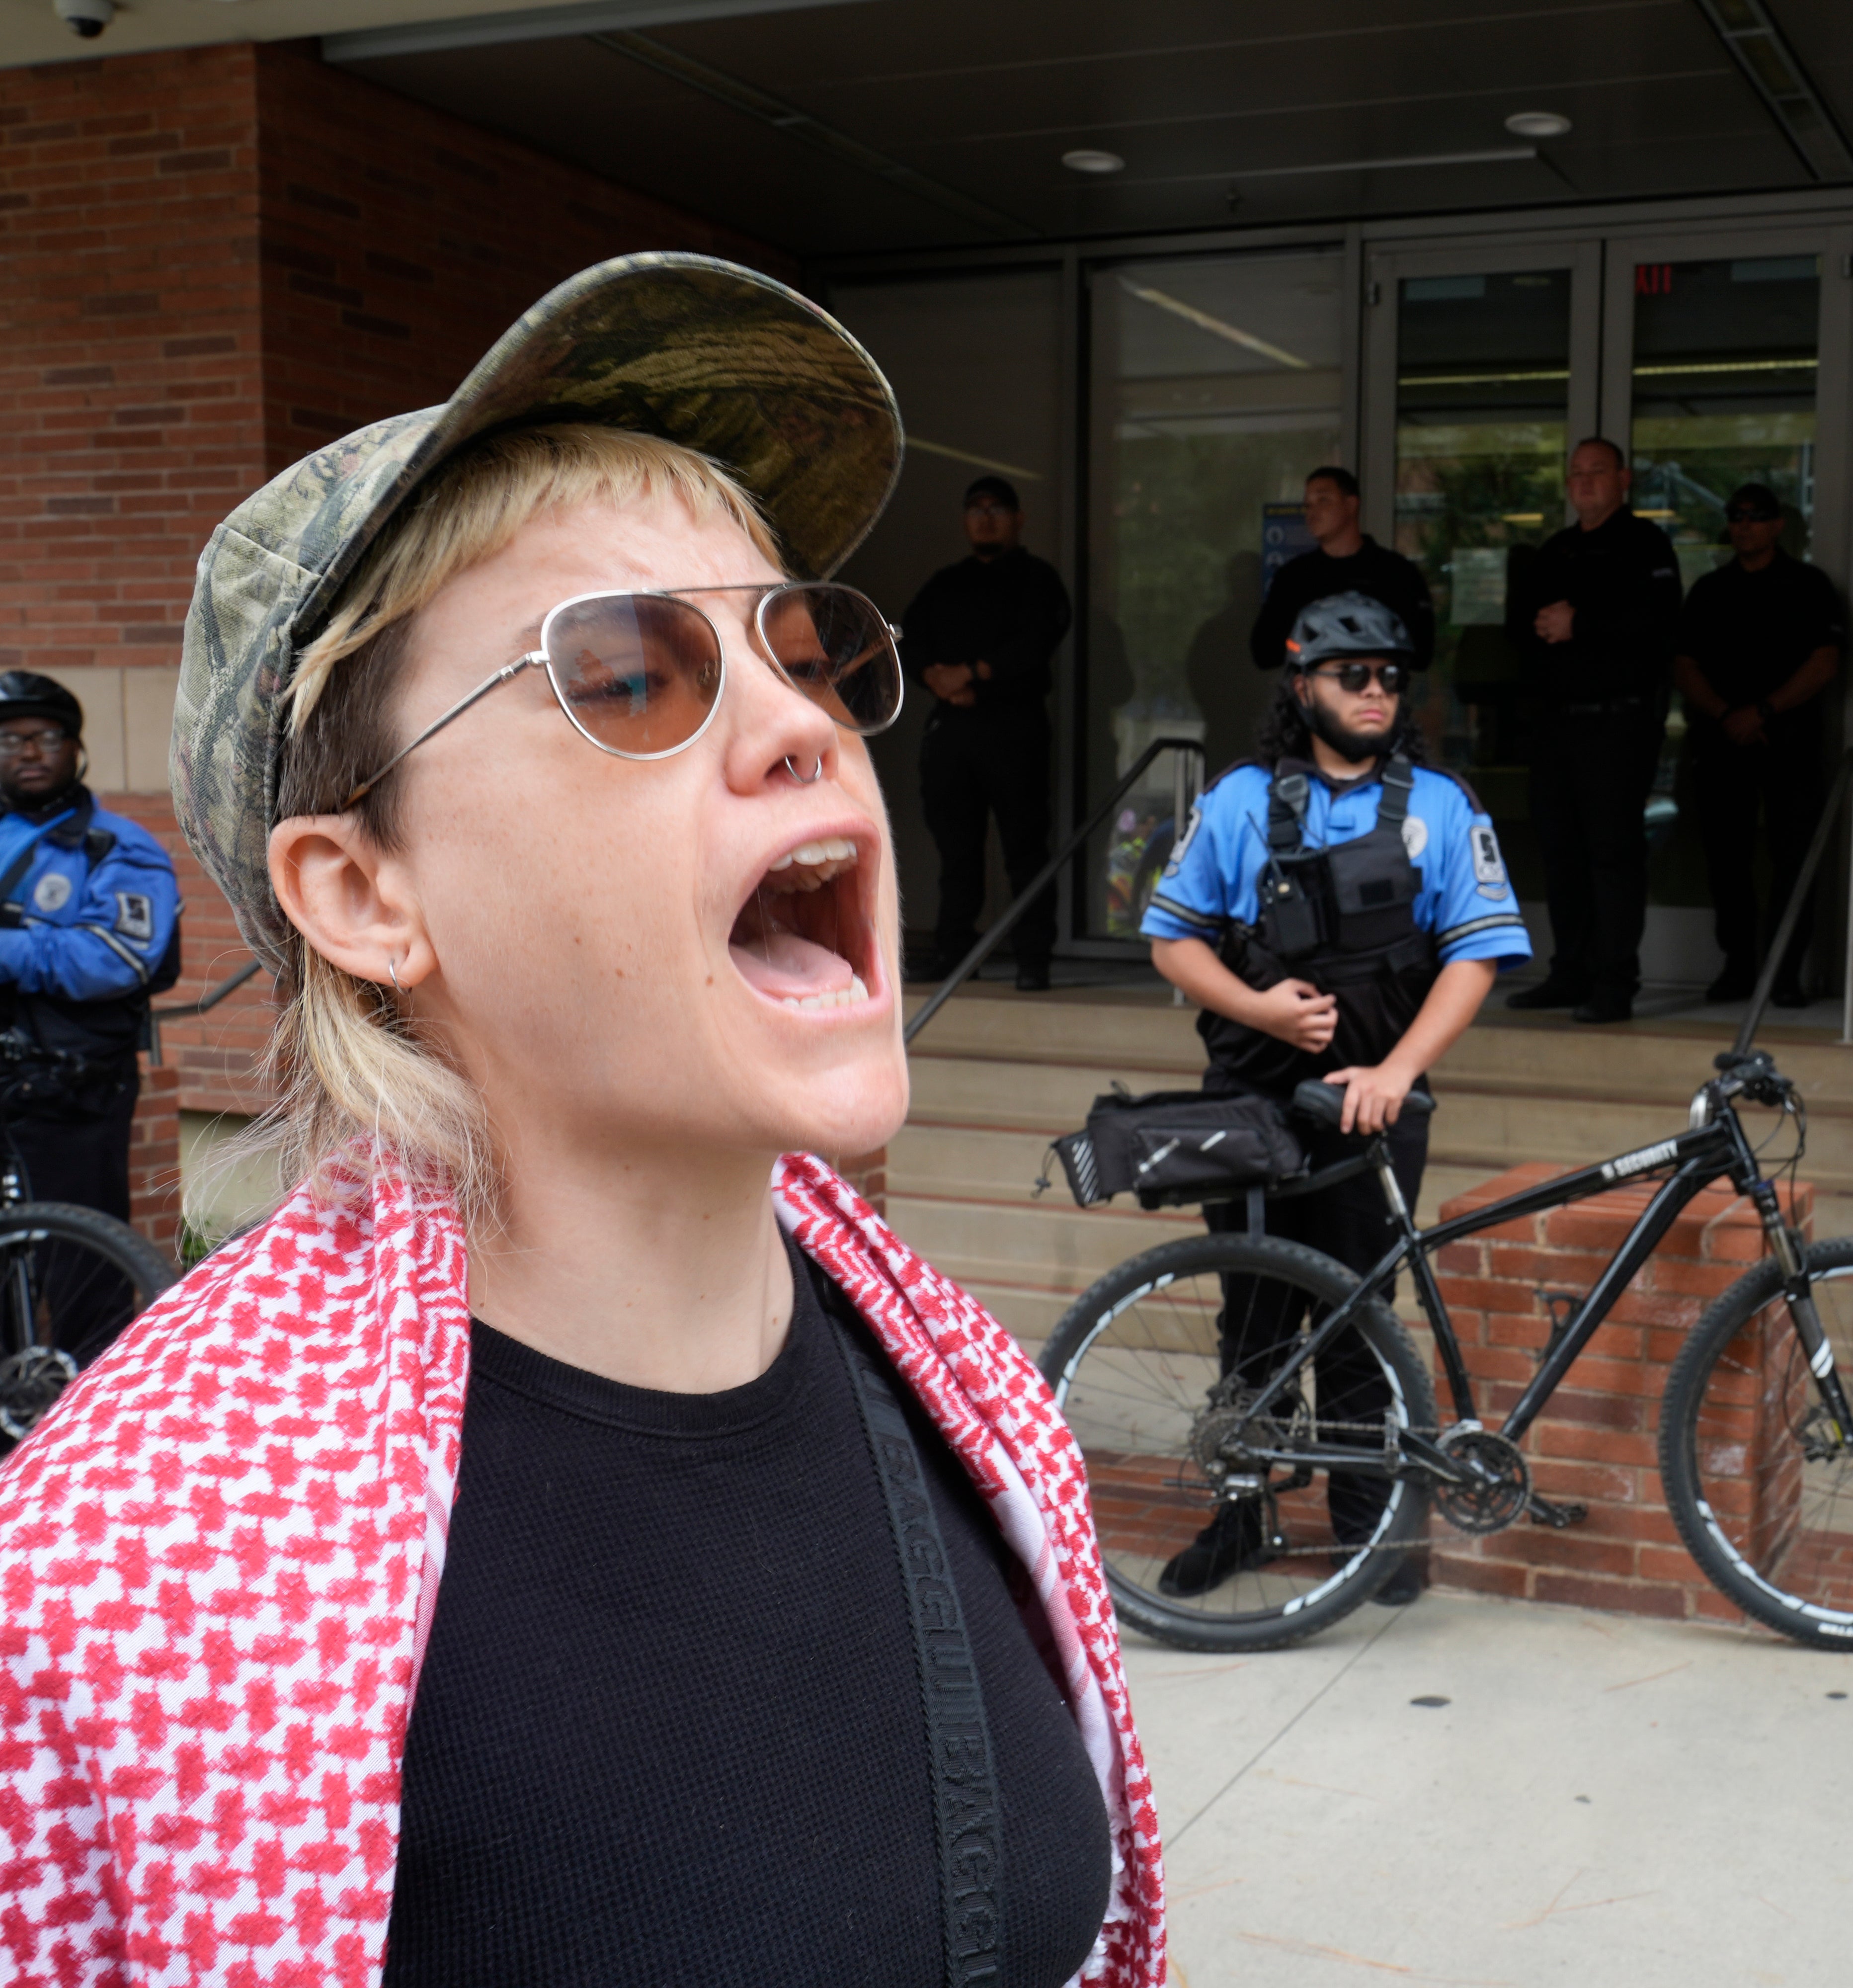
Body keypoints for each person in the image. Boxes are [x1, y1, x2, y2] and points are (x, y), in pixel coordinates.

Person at [0, 255, 1163, 1986]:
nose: (802, 728)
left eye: (804, 645)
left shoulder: (971, 1399)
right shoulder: (121, 1590)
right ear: (364, 893)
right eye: (630, 674)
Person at [1140, 591, 1530, 1605]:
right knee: (1252, 1314)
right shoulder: (1238, 797)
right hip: (1253, 1095)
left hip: (1374, 1104)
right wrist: (1262, 1011)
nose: (1375, 692)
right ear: (1302, 680)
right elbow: (1172, 941)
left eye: (1392, 676)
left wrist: (1399, 1070)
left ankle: (1371, 1536)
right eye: (1353, 674)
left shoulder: (1442, 804)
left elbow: (1477, 954)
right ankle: (1241, 1514)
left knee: (1363, 1311)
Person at [1504, 437, 1683, 1025]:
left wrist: (1583, 623)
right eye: (1575, 473)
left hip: (1617, 724)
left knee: (1612, 854)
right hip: (1556, 728)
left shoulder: (1646, 545)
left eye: (1597, 472)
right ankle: (1569, 971)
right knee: (1561, 854)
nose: (1583, 482)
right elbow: (1525, 634)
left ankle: (1614, 982)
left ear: (1623, 479)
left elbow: (1660, 629)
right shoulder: (1555, 550)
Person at [0, 672, 179, 1221]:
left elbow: (116, 959)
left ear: (76, 749)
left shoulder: (119, 846)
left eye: (48, 737)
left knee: (83, 1270)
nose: (29, 751)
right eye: (10, 739)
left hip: (73, 1089)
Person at [1672, 483, 1844, 1006]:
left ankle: (1784, 973)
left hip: (1787, 740)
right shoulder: (1709, 591)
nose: (1743, 525)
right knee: (1728, 861)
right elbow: (1684, 664)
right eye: (1736, 516)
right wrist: (1728, 714)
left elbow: (1825, 661)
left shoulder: (1810, 585)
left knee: (1794, 859)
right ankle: (1739, 966)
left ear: (1777, 526)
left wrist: (1765, 710)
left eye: (1755, 516)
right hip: (1723, 742)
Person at [902, 472, 1072, 989]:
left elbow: (1037, 641)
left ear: (1018, 519)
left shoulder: (1038, 579)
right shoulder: (946, 583)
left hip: (1013, 727)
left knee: (1024, 847)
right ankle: (955, 955)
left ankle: (1032, 960)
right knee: (957, 852)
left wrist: (977, 673)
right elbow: (908, 639)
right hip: (954, 729)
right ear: (965, 520)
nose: (985, 516)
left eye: (997, 508)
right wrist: (936, 677)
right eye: (976, 508)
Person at [1248, 465, 1437, 675]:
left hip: (1376, 694)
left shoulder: (1396, 573)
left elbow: (1421, 653)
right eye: (1308, 505)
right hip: (1315, 701)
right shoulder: (1294, 577)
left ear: (1351, 505)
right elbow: (1264, 653)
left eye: (1323, 500)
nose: (1312, 513)